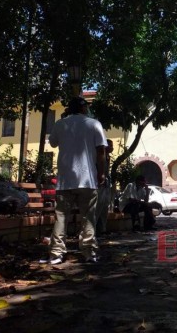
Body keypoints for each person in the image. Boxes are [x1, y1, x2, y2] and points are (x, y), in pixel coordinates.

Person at [40, 96, 107, 265]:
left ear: (69, 109)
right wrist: (102, 173)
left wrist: (63, 120)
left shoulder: (60, 124)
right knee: (88, 218)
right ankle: (89, 252)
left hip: (65, 180)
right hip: (88, 179)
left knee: (61, 218)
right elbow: (101, 152)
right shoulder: (94, 124)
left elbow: (53, 143)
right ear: (84, 108)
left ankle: (56, 253)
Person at [96, 139, 113, 236]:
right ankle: (94, 228)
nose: (111, 147)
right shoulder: (99, 156)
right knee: (99, 205)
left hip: (106, 183)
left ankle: (103, 228)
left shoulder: (107, 157)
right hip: (100, 183)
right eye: (109, 145)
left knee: (105, 206)